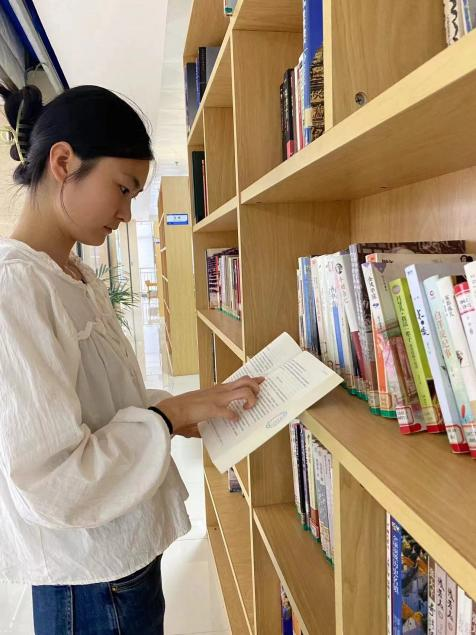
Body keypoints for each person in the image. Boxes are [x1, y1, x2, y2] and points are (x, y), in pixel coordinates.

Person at [0, 84, 263, 635]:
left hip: (122, 558)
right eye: (122, 189)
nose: (124, 213)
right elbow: (51, 480)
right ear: (64, 162)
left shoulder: (74, 275)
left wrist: (187, 408)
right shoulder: (15, 288)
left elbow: (106, 405)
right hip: (90, 579)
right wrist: (167, 417)